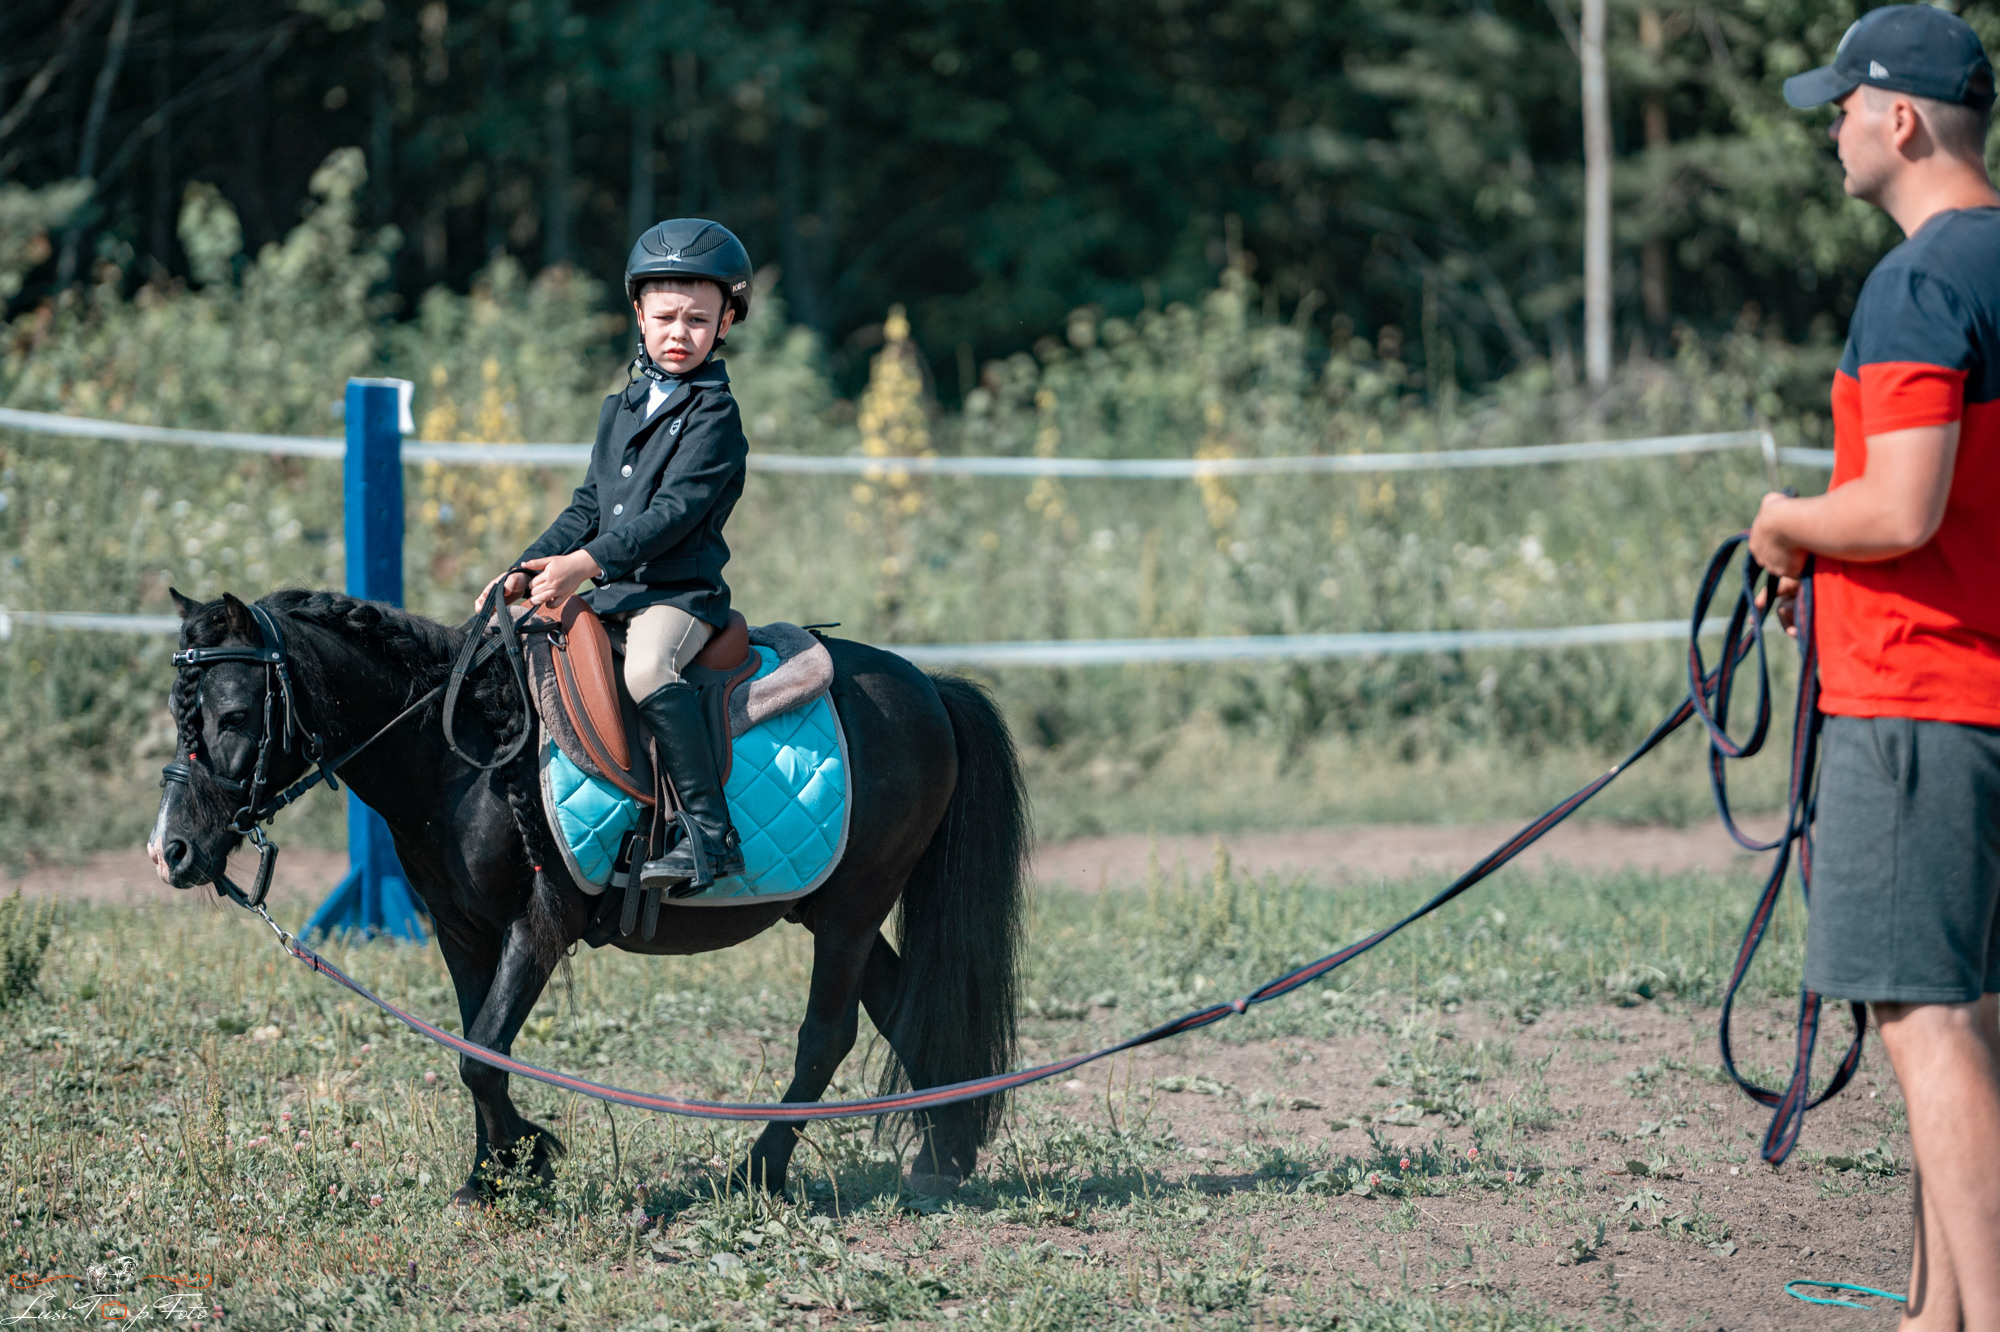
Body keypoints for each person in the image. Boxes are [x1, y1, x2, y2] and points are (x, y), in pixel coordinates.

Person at [1754, 7, 2000, 1326]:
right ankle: (1934, 1311)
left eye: (1843, 108)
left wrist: (1787, 523)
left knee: (1923, 1021)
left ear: (1899, 120)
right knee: (1968, 1018)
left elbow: (1900, 509)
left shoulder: (1919, 283)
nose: (1833, 132)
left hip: (1922, 703)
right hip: (1987, 696)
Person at [476, 218, 755, 895]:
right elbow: (587, 506)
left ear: (725, 323)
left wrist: (585, 565)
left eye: (697, 319)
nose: (678, 333)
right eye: (665, 317)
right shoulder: (621, 407)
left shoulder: (716, 417)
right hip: (611, 590)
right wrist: (528, 566)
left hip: (678, 597)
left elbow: (671, 517)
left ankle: (710, 840)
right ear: (638, 313)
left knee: (648, 670)